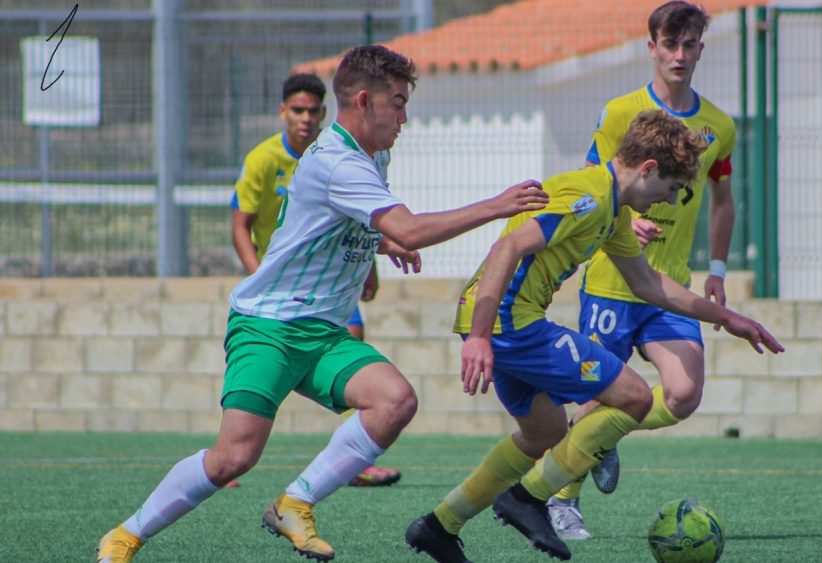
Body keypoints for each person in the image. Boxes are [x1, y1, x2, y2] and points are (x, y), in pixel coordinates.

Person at [96, 44, 548, 563]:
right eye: (398, 103)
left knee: (394, 400)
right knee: (232, 458)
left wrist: (383, 244)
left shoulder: (374, 154)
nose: (405, 117)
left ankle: (296, 501)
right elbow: (409, 225)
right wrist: (496, 206)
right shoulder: (338, 160)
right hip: (268, 325)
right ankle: (125, 536)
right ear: (362, 101)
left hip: (323, 331)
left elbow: (347, 221)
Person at [404, 109, 783, 562]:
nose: (669, 199)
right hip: (509, 322)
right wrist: (480, 336)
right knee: (635, 396)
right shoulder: (588, 196)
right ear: (648, 169)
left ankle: (439, 525)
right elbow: (507, 246)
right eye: (671, 188)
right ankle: (526, 500)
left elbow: (648, 284)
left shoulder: (613, 212)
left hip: (506, 323)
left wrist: (728, 316)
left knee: (543, 431)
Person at [547, 1, 739, 540]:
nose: (679, 54)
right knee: (591, 397)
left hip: (670, 285)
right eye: (669, 44)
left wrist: (718, 267)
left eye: (690, 44)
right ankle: (562, 500)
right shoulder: (618, 113)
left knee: (683, 393)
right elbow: (594, 183)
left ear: (701, 48)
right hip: (613, 280)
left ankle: (605, 439)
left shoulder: (718, 127)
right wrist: (624, 225)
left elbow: (724, 201)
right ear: (651, 47)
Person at [230, 72, 400, 489]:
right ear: (282, 112)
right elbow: (240, 225)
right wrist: (260, 276)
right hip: (277, 296)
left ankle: (352, 458)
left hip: (331, 281)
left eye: (312, 111)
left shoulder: (360, 155)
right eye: (297, 110)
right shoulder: (265, 159)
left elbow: (363, 218)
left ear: (325, 112)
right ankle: (225, 459)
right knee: (236, 449)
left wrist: (370, 265)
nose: (305, 119)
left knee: (366, 356)